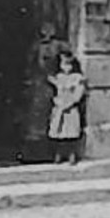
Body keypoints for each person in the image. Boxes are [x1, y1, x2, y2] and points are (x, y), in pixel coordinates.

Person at [26, 23, 71, 162]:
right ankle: (36, 153)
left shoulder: (57, 45)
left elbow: (68, 53)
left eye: (49, 31)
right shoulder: (36, 46)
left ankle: (51, 151)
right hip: (39, 84)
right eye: (44, 31)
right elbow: (31, 64)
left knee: (53, 117)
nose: (47, 33)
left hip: (53, 85)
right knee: (37, 118)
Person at [47, 51, 87, 165]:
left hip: (70, 109)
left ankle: (72, 155)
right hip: (59, 108)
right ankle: (59, 154)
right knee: (59, 132)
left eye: (69, 64)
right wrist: (57, 101)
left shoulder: (77, 78)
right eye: (64, 64)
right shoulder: (59, 77)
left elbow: (78, 94)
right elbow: (54, 91)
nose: (66, 67)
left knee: (71, 133)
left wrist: (70, 103)